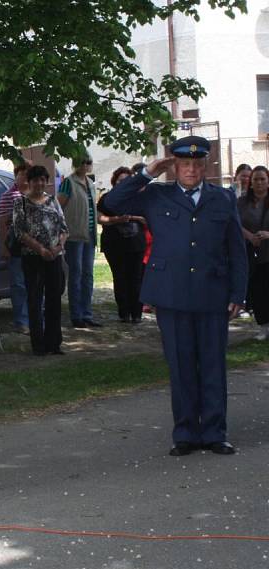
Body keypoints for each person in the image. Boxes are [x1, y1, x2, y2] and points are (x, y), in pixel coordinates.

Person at [104, 136, 248, 456]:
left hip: (213, 293)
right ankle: (184, 433)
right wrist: (147, 173)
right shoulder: (156, 195)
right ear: (175, 166)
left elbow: (237, 251)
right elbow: (111, 204)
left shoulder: (223, 198)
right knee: (181, 366)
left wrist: (239, 292)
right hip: (172, 294)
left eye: (197, 165)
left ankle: (214, 432)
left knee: (213, 365)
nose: (192, 170)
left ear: (206, 165)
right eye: (185, 165)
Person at [12, 165, 68, 355]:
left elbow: (63, 228)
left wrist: (58, 247)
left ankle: (54, 342)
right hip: (33, 258)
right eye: (36, 180)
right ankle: (39, 344)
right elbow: (20, 232)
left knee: (54, 299)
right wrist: (40, 249)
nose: (40, 183)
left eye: (43, 179)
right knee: (35, 300)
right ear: (29, 181)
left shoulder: (53, 201)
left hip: (54, 256)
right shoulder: (22, 203)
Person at [97, 167, 147, 323]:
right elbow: (100, 218)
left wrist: (133, 217)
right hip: (114, 244)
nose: (123, 183)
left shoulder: (138, 198)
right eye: (120, 180)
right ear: (114, 182)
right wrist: (115, 220)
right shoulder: (107, 198)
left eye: (127, 180)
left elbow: (148, 219)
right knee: (120, 278)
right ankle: (124, 313)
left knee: (136, 278)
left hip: (136, 244)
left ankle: (137, 314)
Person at [58, 153, 103, 328]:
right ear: (76, 164)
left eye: (88, 162)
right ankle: (76, 315)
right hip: (74, 235)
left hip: (90, 235)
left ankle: (87, 313)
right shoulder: (69, 182)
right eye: (82, 162)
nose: (85, 165)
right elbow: (58, 207)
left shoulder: (91, 184)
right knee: (75, 275)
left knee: (88, 276)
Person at [0, 161, 33, 335]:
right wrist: (4, 247)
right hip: (16, 248)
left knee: (34, 283)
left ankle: (36, 318)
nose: (25, 178)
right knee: (19, 285)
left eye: (28, 174)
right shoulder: (9, 196)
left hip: (35, 248)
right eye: (22, 174)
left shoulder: (35, 195)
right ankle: (22, 321)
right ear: (16, 175)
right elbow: (2, 223)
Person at [237, 165, 269, 340]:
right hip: (252, 253)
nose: (259, 183)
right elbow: (234, 223)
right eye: (255, 179)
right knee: (258, 290)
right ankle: (263, 325)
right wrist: (249, 236)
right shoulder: (242, 202)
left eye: (262, 179)